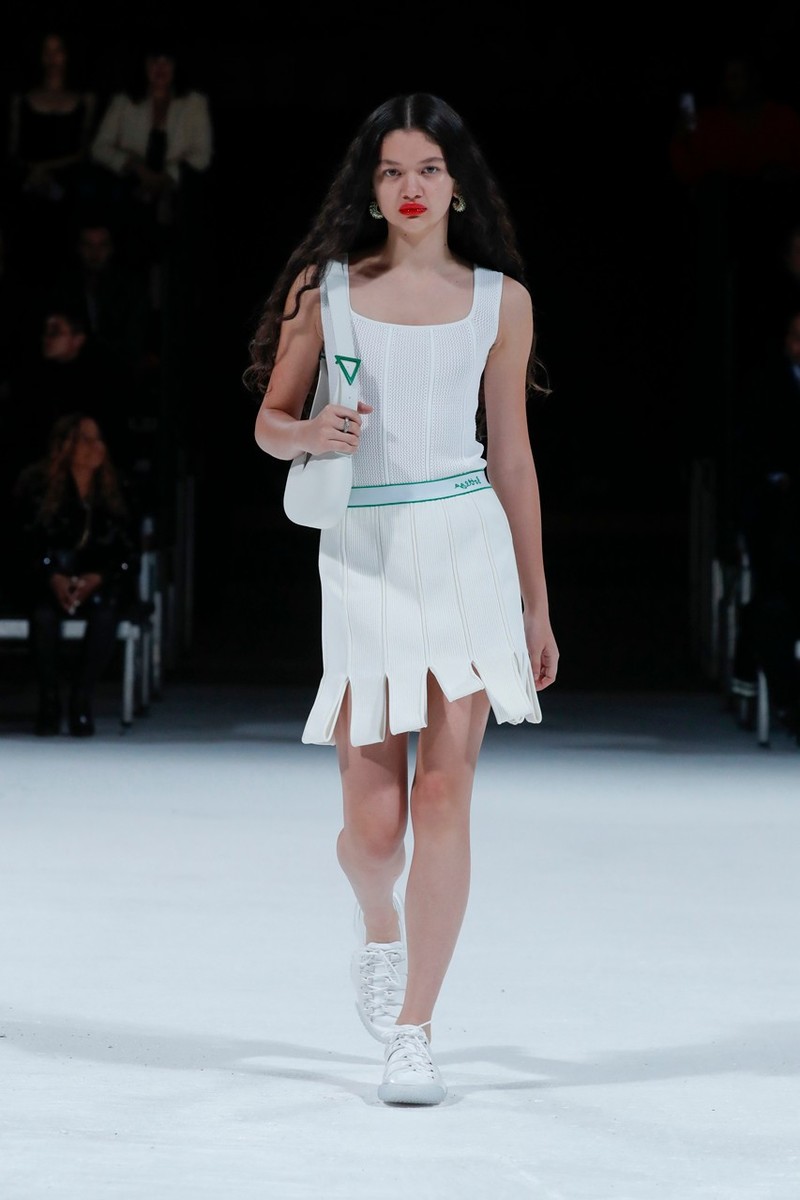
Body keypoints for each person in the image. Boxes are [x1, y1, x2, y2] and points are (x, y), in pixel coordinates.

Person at [244, 93, 559, 1106]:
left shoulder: (500, 302)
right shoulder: (326, 290)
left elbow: (512, 458)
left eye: (428, 169)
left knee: (444, 798)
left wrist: (534, 604)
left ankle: (415, 1031)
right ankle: (377, 922)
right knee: (373, 832)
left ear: (457, 183)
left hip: (464, 547)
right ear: (369, 187)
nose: (410, 188)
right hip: (365, 552)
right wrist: (310, 433)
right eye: (391, 172)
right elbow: (268, 422)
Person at [10, 412, 140, 737]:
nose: (96, 447)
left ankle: (81, 699)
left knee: (106, 613)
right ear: (65, 445)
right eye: (86, 439)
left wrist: (97, 577)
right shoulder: (37, 486)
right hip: (48, 579)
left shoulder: (116, 488)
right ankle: (49, 700)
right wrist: (52, 575)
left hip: (100, 582)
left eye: (99, 439)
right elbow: (24, 542)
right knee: (43, 615)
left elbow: (127, 549)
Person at [89, 34, 213, 306]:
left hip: (177, 203)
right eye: (154, 61)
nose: (160, 68)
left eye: (166, 61)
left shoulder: (194, 103)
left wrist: (167, 175)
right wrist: (134, 167)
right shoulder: (125, 102)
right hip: (130, 201)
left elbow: (202, 155)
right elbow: (100, 147)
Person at [3, 30, 98, 284]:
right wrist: (32, 173)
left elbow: (84, 152)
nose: (52, 58)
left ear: (68, 55)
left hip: (67, 195)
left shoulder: (84, 101)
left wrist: (48, 171)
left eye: (58, 51)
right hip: (27, 195)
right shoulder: (22, 100)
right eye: (47, 51)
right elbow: (13, 151)